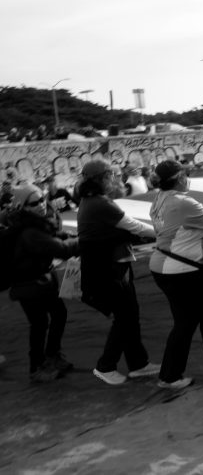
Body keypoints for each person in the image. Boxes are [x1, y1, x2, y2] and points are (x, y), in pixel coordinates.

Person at [76, 160, 160, 385]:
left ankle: (138, 364)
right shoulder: (100, 203)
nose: (116, 179)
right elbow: (135, 227)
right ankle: (106, 366)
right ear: (103, 178)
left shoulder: (91, 200)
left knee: (130, 315)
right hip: (106, 270)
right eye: (112, 175)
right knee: (125, 317)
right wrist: (164, 232)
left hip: (112, 266)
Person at [149, 160, 203, 390]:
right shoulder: (183, 203)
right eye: (186, 175)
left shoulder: (159, 200)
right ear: (180, 178)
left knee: (185, 322)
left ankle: (171, 374)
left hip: (166, 268)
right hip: (185, 271)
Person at [7, 183, 79, 383]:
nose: (41, 205)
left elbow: (55, 237)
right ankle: (36, 367)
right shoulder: (29, 231)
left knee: (58, 314)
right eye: (34, 203)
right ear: (24, 207)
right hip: (29, 285)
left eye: (41, 199)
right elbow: (60, 249)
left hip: (41, 281)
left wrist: (69, 237)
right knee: (39, 324)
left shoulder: (37, 224)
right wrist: (82, 241)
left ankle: (52, 356)